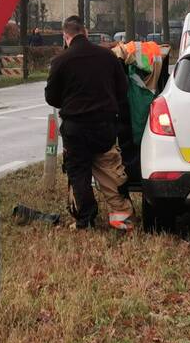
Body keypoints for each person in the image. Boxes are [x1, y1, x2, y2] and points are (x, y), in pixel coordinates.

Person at [45, 16, 135, 231]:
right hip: (104, 126)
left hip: (75, 127)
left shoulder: (60, 61)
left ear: (66, 37)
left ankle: (86, 219)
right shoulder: (107, 56)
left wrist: (68, 102)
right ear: (85, 32)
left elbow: (51, 98)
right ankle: (121, 216)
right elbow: (122, 90)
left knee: (78, 172)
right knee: (110, 167)